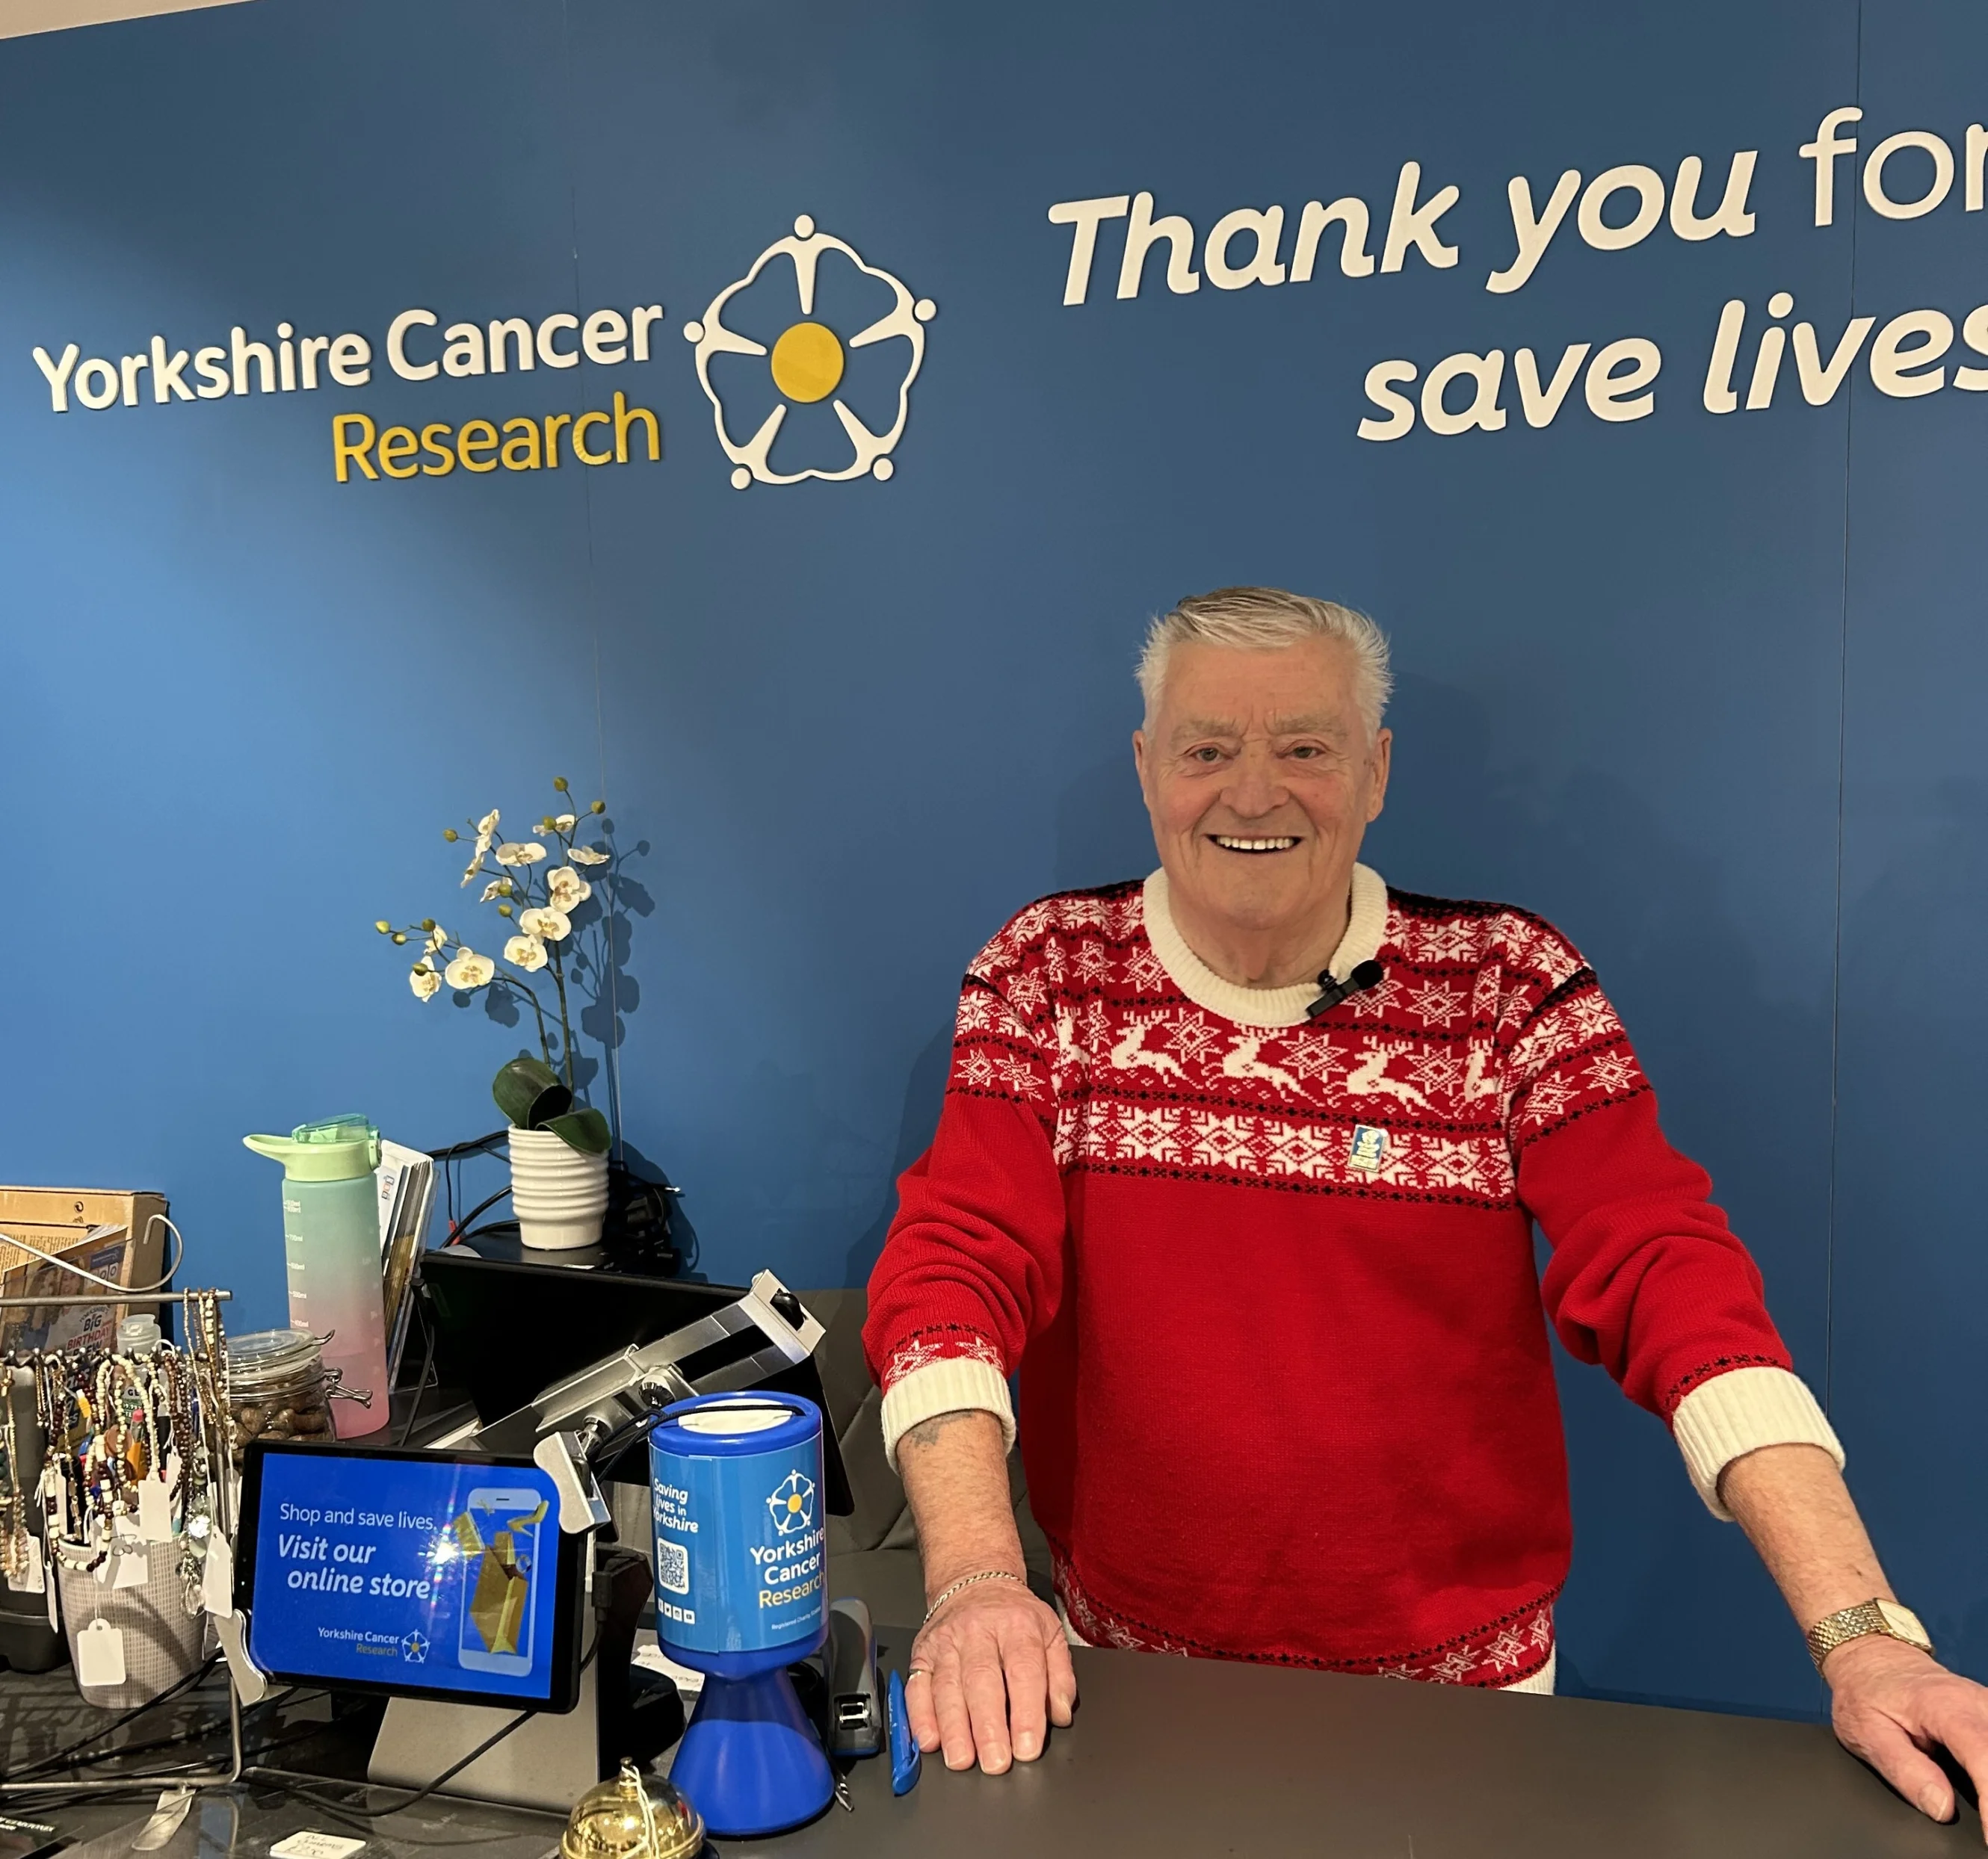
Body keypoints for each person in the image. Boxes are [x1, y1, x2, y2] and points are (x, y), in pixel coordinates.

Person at [862, 587, 1988, 1817]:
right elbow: (951, 1272)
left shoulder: (1512, 987)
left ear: (1377, 770)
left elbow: (1672, 1278)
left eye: (1305, 748)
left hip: (1462, 1707)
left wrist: (1864, 1633)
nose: (1252, 793)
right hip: (1124, 1684)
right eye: (1207, 751)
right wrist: (975, 1578)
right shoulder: (1046, 975)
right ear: (1146, 769)